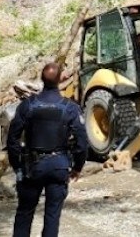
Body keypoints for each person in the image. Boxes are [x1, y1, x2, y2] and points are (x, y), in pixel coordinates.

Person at [7, 62, 88, 237]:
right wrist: (77, 167)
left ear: (41, 79)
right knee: (52, 215)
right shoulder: (70, 107)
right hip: (58, 166)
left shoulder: (28, 105)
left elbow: (12, 138)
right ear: (60, 80)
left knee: (24, 213)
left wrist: (18, 167)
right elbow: (82, 141)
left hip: (31, 167)